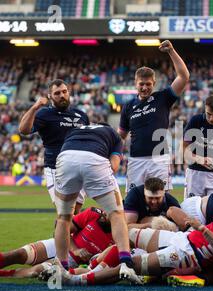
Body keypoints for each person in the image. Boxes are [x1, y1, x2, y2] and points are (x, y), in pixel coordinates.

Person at [49, 186, 213, 286]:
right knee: (130, 235)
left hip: (188, 254)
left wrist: (203, 229)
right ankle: (92, 269)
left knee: (130, 265)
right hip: (183, 240)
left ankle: (77, 279)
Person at [53, 123, 136, 280]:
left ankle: (61, 268)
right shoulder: (114, 135)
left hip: (65, 159)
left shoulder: (75, 130)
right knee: (117, 214)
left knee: (63, 218)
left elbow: (68, 154)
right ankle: (126, 263)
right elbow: (114, 166)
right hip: (94, 160)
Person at [118, 40, 190, 192]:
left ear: (154, 83)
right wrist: (114, 155)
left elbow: (183, 77)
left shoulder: (162, 98)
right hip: (136, 160)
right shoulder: (128, 106)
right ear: (135, 83)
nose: (144, 87)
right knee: (133, 204)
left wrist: (171, 51)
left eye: (148, 84)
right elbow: (121, 136)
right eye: (141, 84)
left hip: (159, 159)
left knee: (161, 201)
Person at [19, 79, 90, 214]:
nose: (62, 95)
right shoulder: (44, 113)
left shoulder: (81, 115)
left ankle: (70, 236)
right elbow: (23, 130)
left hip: (78, 169)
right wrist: (35, 107)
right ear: (50, 96)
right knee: (64, 211)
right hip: (56, 168)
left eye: (64, 92)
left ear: (69, 93)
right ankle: (61, 236)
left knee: (76, 212)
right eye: (57, 93)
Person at [0, 207, 113, 278]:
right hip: (62, 243)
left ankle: (5, 275)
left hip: (72, 263)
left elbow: (100, 263)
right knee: (21, 254)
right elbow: (62, 229)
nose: (104, 214)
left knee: (34, 272)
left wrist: (88, 261)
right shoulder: (93, 213)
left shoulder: (119, 236)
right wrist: (75, 249)